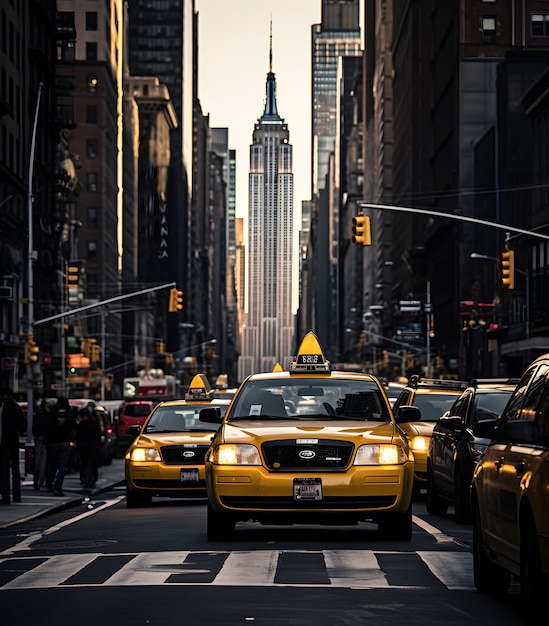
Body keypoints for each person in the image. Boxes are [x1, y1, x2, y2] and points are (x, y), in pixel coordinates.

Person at [0, 387, 27, 505]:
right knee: (15, 470)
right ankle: (17, 495)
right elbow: (23, 425)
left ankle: (5, 496)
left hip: (3, 442)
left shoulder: (2, 407)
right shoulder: (16, 408)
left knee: (4, 470)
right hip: (13, 440)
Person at [45, 397, 75, 497]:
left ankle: (49, 482)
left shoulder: (52, 414)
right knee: (62, 466)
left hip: (53, 442)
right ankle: (58, 487)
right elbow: (73, 428)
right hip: (65, 441)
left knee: (53, 464)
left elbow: (47, 427)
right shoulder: (69, 415)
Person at [75, 406, 101, 489]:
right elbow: (98, 435)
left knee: (84, 463)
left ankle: (84, 478)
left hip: (83, 446)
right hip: (92, 446)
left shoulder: (81, 425)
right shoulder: (94, 423)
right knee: (91, 463)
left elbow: (77, 436)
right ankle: (89, 479)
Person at [32, 398, 50, 490]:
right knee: (42, 461)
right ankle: (40, 481)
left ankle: (37, 480)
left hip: (39, 439)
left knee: (38, 461)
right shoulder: (47, 417)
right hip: (43, 439)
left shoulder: (37, 417)